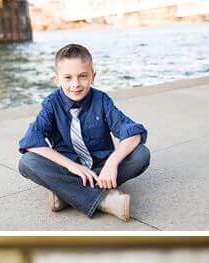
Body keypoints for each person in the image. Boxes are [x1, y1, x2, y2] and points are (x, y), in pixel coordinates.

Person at [17, 44, 151, 222]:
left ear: (93, 76)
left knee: (141, 154)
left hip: (101, 168)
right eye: (68, 77)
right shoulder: (51, 104)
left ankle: (65, 193)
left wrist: (111, 164)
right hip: (68, 169)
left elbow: (132, 132)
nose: (75, 84)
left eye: (82, 76)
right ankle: (105, 200)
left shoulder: (101, 100)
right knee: (27, 162)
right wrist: (71, 166)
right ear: (56, 79)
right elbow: (31, 141)